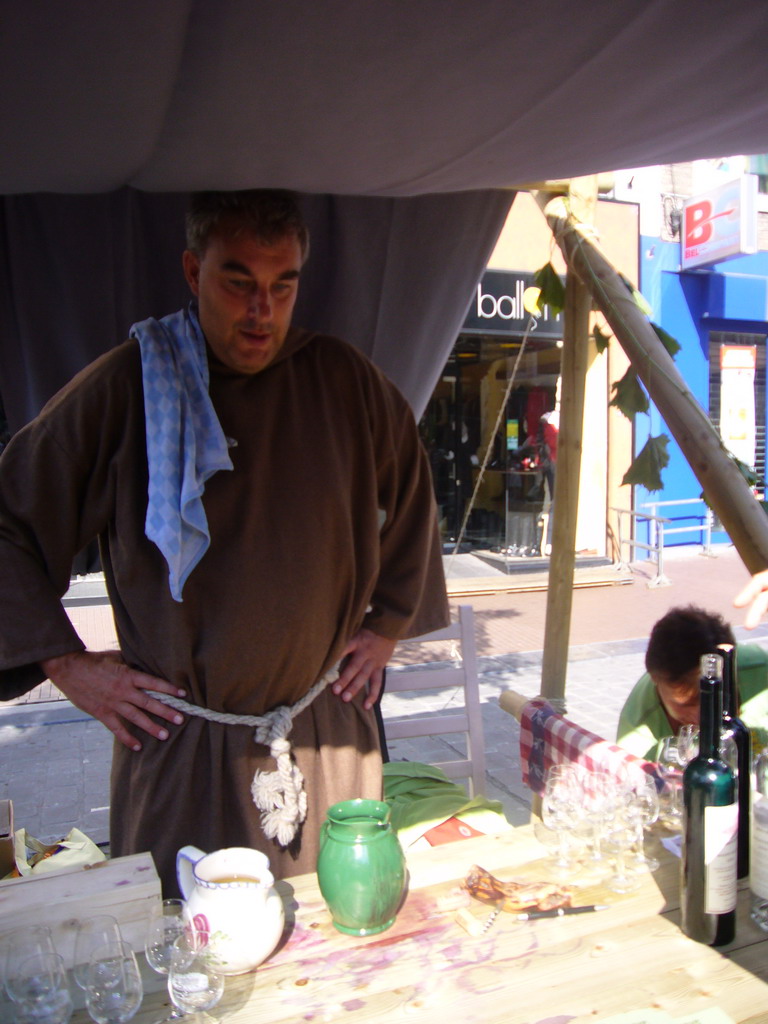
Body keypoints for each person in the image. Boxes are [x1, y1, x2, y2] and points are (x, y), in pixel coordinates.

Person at [0, 190, 449, 894]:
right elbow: (7, 521)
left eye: (282, 284)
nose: (260, 311)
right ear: (191, 271)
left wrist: (389, 625)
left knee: (338, 958)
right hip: (181, 753)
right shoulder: (131, 386)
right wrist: (65, 664)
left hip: (325, 741)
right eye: (238, 281)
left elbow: (414, 493)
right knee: (193, 970)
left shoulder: (345, 382)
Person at [616, 605, 768, 761]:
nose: (701, 717)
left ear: (731, 666)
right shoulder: (637, 731)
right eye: (686, 705)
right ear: (655, 680)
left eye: (714, 697)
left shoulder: (760, 669)